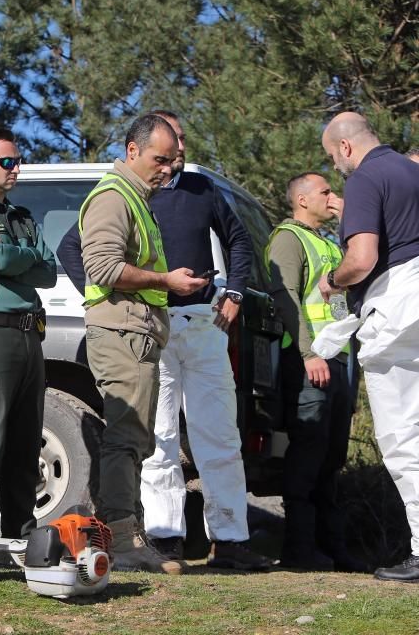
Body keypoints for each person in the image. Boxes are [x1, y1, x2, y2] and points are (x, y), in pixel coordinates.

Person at [132, 111, 271, 571]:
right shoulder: (127, 194)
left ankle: (229, 540)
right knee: (160, 436)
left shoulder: (202, 189)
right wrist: (110, 302)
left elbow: (239, 242)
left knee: (220, 434)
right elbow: (77, 248)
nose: (178, 150)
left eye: (182, 140)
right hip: (154, 327)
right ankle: (165, 540)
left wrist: (233, 294)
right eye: (169, 142)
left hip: (205, 325)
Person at [78, 113, 207, 574]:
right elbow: (103, 267)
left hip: (137, 332)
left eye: (173, 161)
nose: (167, 169)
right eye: (159, 159)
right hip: (121, 332)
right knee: (125, 439)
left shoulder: (136, 197)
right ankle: (123, 538)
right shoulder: (114, 197)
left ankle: (128, 536)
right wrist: (165, 280)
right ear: (132, 151)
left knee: (136, 440)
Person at [318, 112, 419, 582]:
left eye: (332, 159)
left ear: (345, 148)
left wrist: (332, 281)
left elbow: (362, 259)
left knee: (402, 438)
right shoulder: (411, 170)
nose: (337, 169)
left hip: (398, 315)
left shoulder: (365, 178)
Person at [266, 172, 369, 573]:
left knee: (332, 456)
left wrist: (349, 348)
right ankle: (299, 550)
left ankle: (333, 547)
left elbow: (338, 300)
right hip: (309, 359)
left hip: (339, 359)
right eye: (326, 191)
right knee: (308, 450)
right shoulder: (288, 238)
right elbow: (285, 296)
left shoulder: (328, 242)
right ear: (302, 199)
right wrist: (310, 353)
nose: (333, 196)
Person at [0, 128, 56, 539]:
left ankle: (22, 532)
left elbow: (49, 272)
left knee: (25, 441)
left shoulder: (20, 216)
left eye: (18, 161)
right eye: (7, 162)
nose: (16, 168)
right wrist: (26, 257)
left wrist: (17, 259)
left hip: (29, 334)